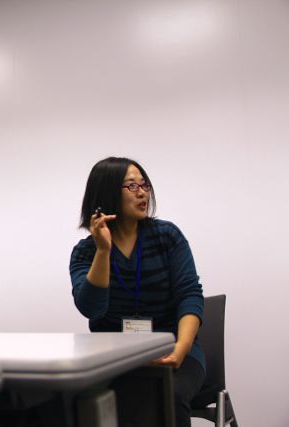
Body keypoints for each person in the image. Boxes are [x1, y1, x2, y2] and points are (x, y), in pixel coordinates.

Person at [69, 157, 204, 427]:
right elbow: (92, 309)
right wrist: (104, 251)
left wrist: (181, 349)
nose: (142, 193)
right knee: (81, 400)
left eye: (144, 185)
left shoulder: (167, 237)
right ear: (107, 193)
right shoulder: (86, 252)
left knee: (169, 396)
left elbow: (189, 295)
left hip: (172, 348)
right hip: (115, 358)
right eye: (132, 186)